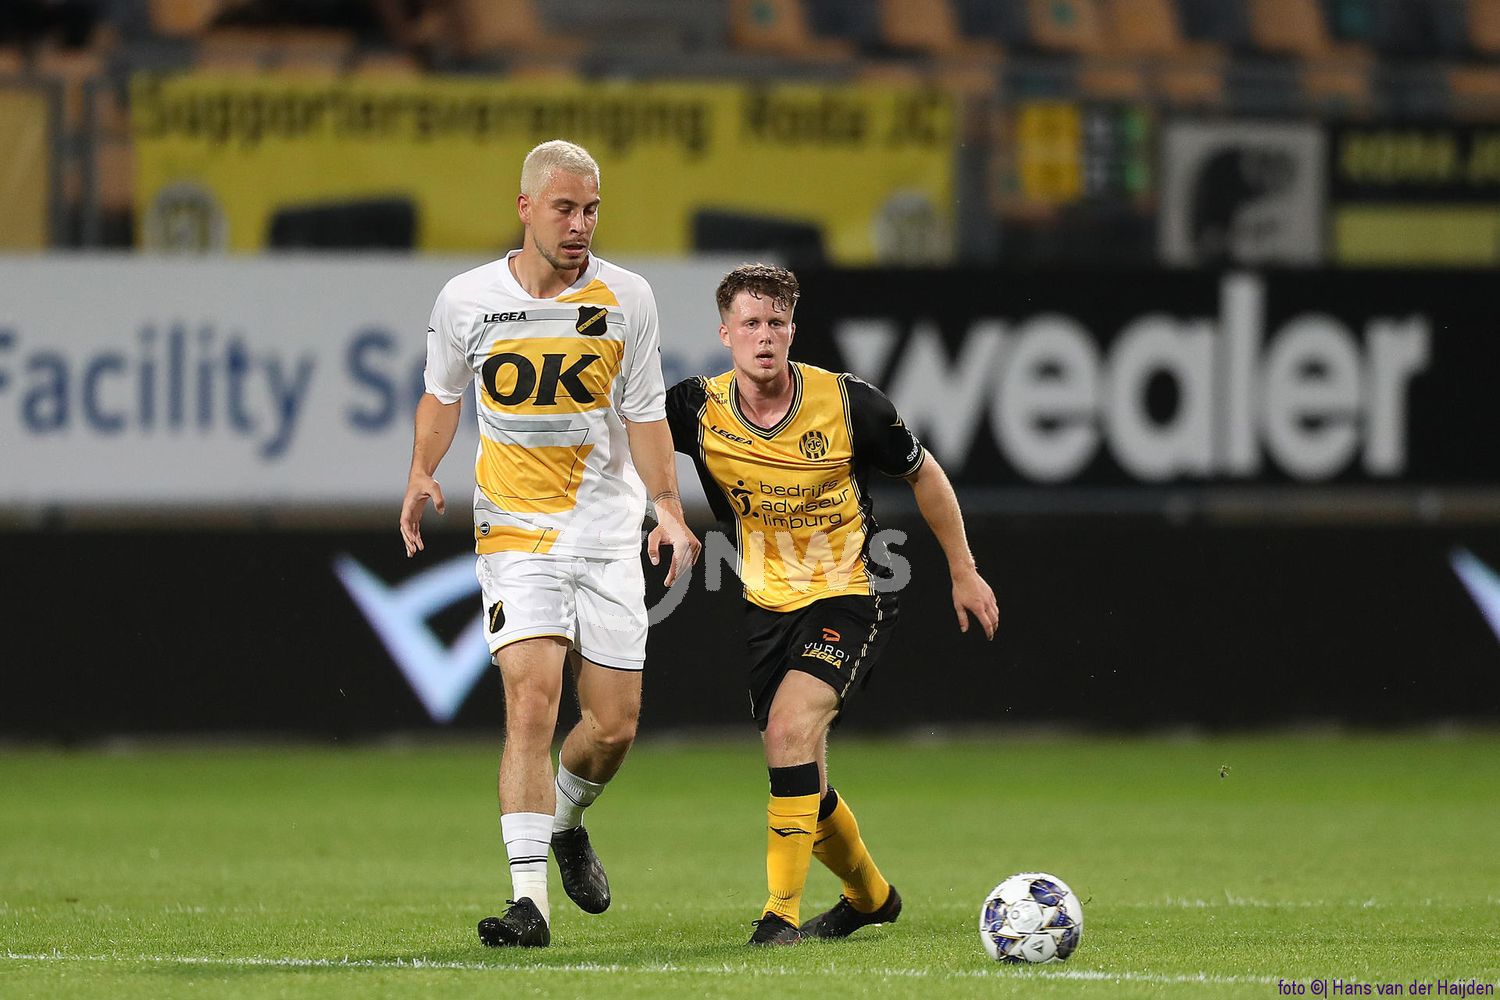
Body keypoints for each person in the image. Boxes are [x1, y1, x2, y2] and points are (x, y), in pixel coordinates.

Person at [399, 139, 701, 949]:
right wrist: (421, 470)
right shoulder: (467, 299)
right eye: (565, 208)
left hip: (606, 533)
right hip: (514, 532)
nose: (580, 225)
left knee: (613, 727)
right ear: (525, 207)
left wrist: (668, 507)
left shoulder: (627, 297)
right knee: (531, 701)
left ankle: (568, 822)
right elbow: (441, 395)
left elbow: (645, 413)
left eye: (591, 209)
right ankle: (527, 901)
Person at [664, 263, 997, 946]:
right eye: (750, 324)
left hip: (854, 590)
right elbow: (627, 433)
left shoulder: (849, 404)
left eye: (777, 323)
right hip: (765, 604)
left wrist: (963, 570)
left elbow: (925, 474)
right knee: (802, 780)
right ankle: (871, 898)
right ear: (725, 334)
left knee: (789, 733)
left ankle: (778, 916)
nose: (764, 336)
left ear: (794, 330)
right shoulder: (695, 407)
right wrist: (663, 507)